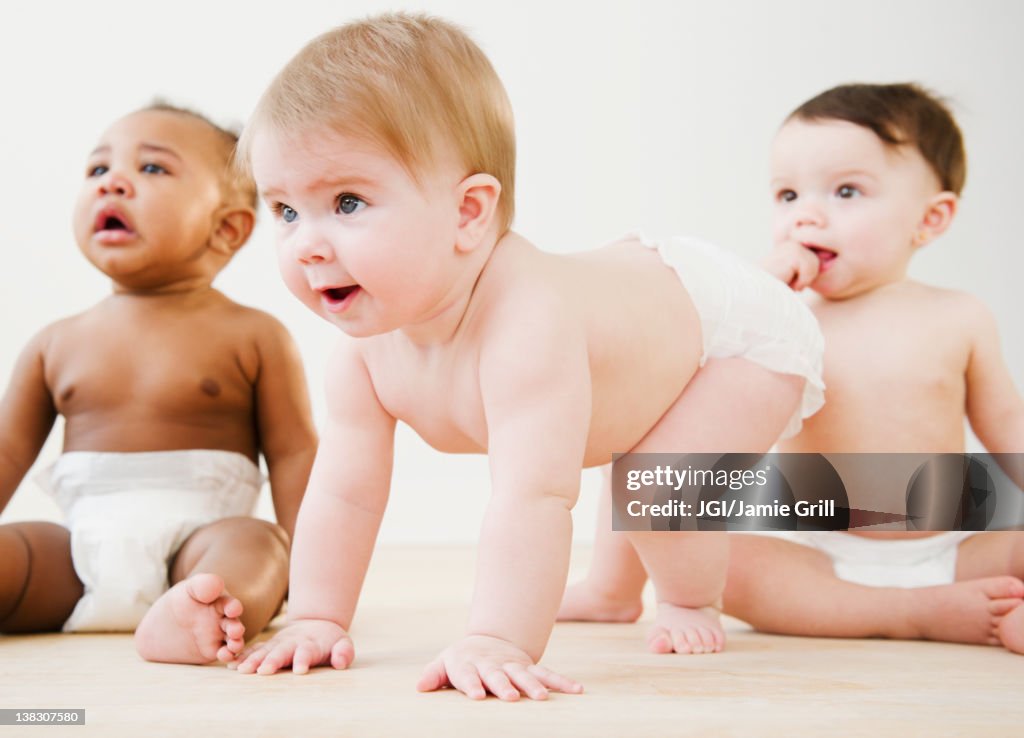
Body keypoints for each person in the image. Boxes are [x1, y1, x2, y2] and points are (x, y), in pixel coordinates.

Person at [229, 13, 823, 700]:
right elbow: (345, 494)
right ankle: (609, 589)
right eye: (285, 211)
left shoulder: (526, 325)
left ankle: (692, 599)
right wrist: (315, 616)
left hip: (733, 332)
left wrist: (499, 638)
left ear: (469, 213)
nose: (305, 244)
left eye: (348, 201)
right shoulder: (362, 356)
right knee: (636, 455)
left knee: (656, 481)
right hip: (643, 315)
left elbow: (534, 495)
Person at [0, 104, 317, 665]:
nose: (112, 183)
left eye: (152, 169)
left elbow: (294, 453)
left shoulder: (253, 335)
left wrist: (314, 576)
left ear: (226, 228)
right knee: (14, 554)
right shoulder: (56, 342)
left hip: (198, 550)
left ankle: (198, 617)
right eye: (98, 170)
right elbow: (6, 452)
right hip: (73, 558)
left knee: (260, 545)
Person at [721, 83, 1024, 655]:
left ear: (930, 219)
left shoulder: (959, 315)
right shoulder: (782, 319)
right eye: (787, 195)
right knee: (716, 559)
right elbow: (717, 422)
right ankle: (915, 614)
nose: (805, 215)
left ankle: (992, 609)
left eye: (845, 191)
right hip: (819, 557)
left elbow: (1008, 429)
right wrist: (757, 303)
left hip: (954, 549)